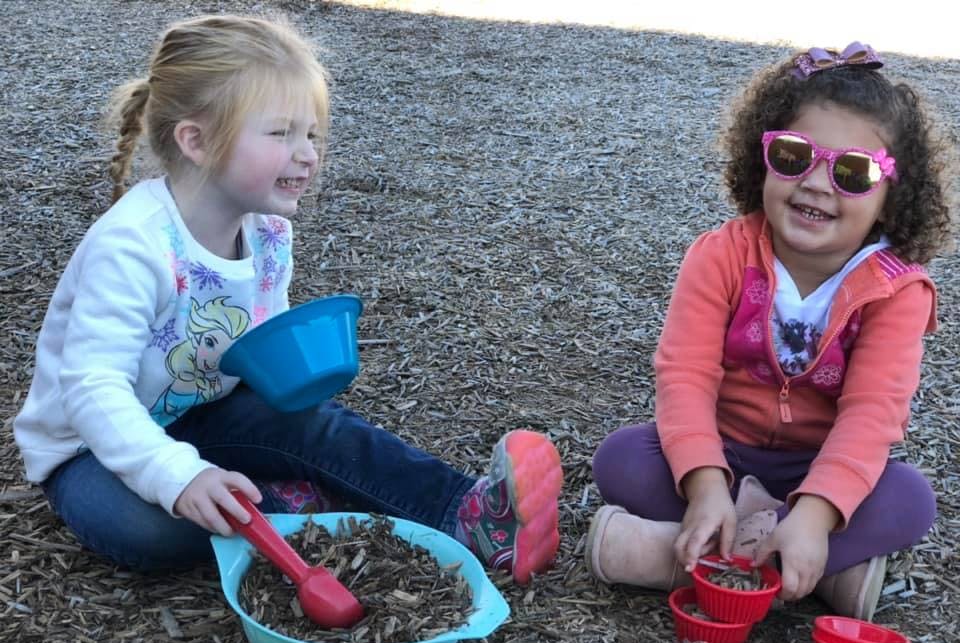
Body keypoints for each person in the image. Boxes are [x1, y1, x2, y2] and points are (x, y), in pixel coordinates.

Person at [13, 14, 562, 585]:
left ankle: (469, 514)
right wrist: (179, 477)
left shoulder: (269, 231)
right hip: (89, 449)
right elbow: (91, 388)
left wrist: (291, 381)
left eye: (311, 134)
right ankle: (289, 506)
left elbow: (252, 346)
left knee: (317, 427)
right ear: (196, 140)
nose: (307, 154)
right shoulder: (133, 245)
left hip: (198, 413)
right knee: (145, 527)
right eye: (280, 134)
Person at [584, 42, 952, 620]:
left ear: (890, 197)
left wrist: (815, 514)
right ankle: (814, 568)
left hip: (818, 465)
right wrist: (706, 485)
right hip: (724, 452)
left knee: (910, 499)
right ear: (763, 161)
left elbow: (872, 413)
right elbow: (685, 376)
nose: (816, 183)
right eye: (792, 154)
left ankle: (673, 556)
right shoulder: (720, 256)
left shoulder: (897, 290)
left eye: (853, 171)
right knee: (622, 458)